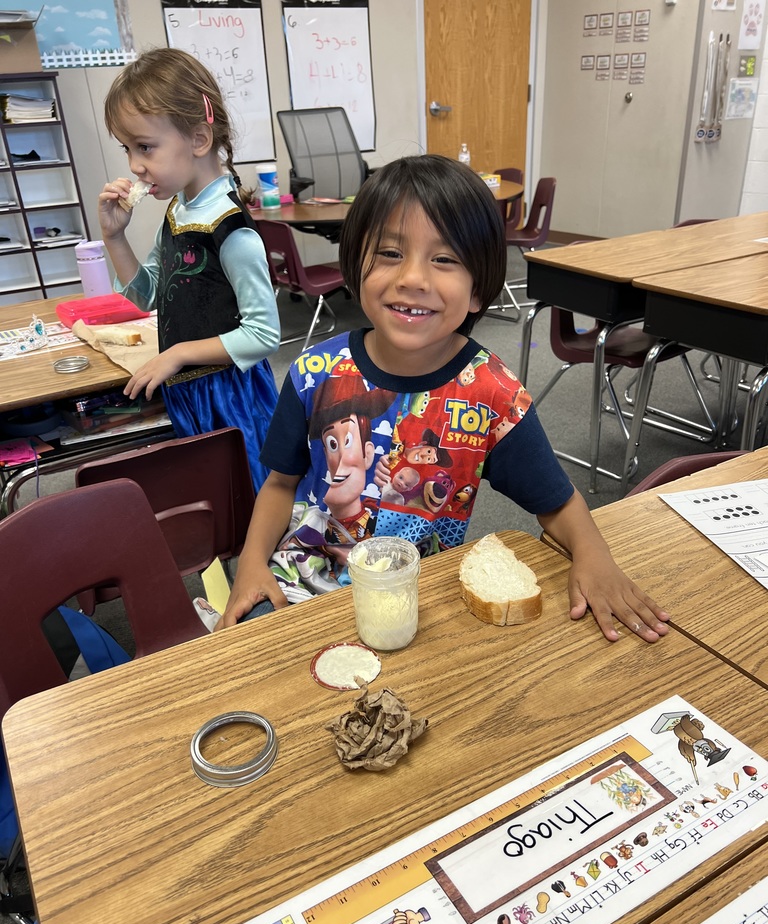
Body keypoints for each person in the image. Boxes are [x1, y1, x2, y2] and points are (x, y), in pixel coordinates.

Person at [217, 154, 670, 643]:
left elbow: (556, 501)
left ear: (477, 291)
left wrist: (594, 557)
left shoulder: (492, 394)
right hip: (304, 582)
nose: (412, 277)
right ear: (355, 267)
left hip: (413, 597)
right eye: (389, 253)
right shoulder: (313, 371)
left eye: (445, 259)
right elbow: (280, 484)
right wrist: (251, 566)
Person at [97, 48, 280, 490]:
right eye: (127, 149)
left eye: (145, 147)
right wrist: (115, 238)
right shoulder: (180, 210)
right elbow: (145, 296)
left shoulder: (230, 231)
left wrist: (177, 354)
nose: (134, 166)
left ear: (198, 140)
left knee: (247, 507)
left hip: (230, 398)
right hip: (190, 392)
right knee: (209, 503)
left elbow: (263, 335)